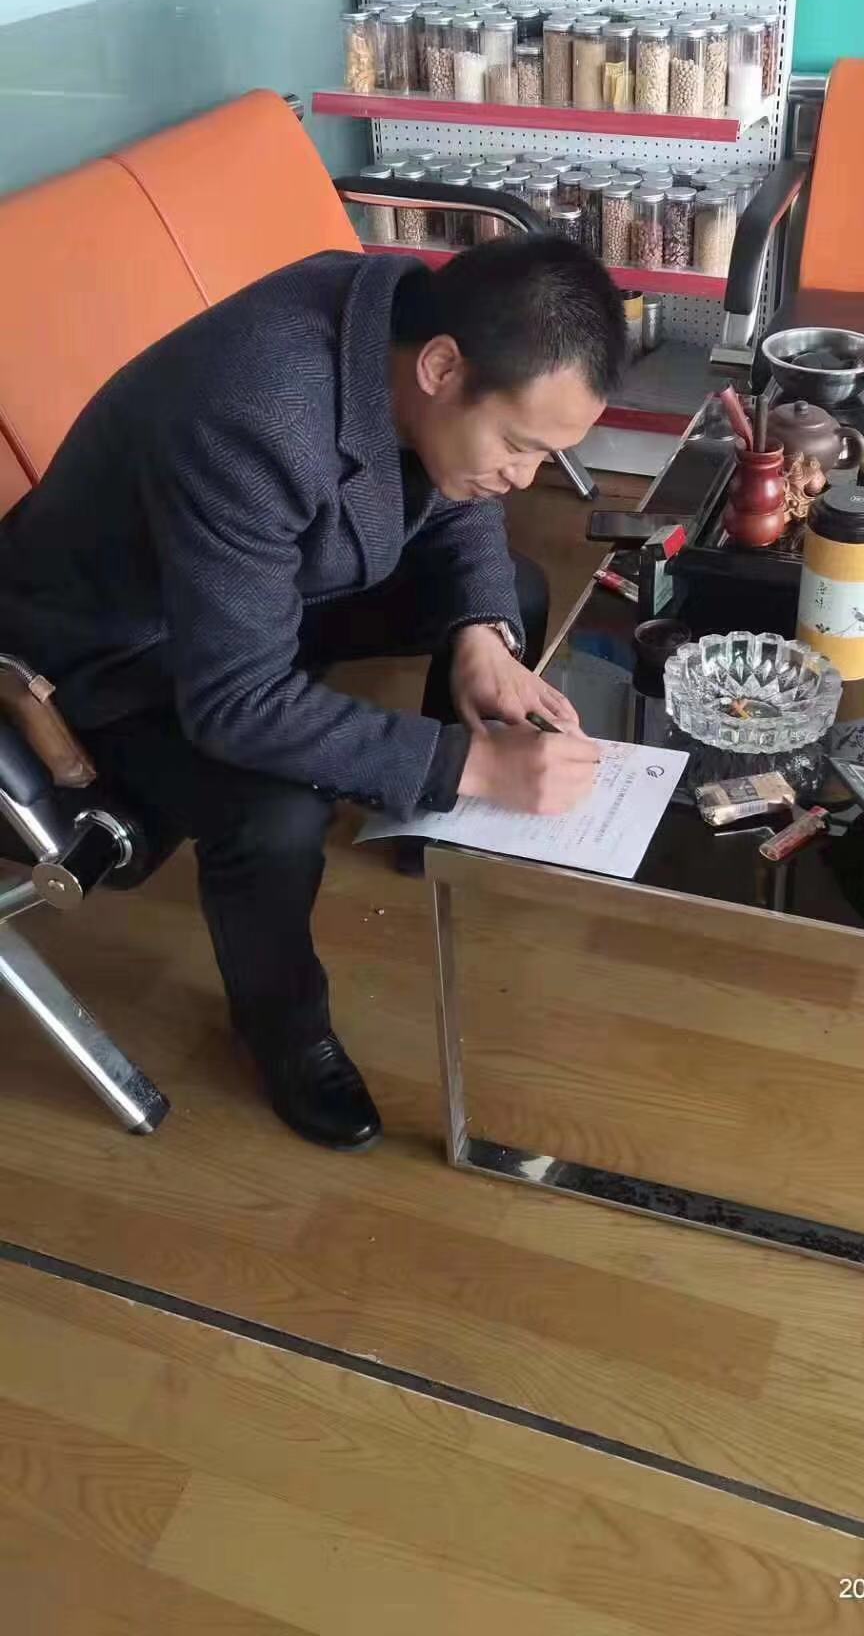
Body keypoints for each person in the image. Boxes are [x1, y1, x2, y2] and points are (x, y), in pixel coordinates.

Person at [0, 237, 625, 1149]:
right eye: (520, 446)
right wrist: (467, 763)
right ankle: (282, 1031)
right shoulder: (249, 416)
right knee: (276, 813)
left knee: (508, 597)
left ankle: (426, 827)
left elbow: (459, 500)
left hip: (263, 587)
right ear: (442, 368)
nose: (523, 479)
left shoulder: (399, 324)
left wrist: (480, 638)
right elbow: (236, 703)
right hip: (115, 657)